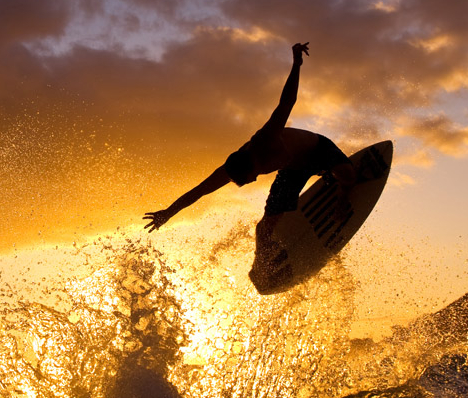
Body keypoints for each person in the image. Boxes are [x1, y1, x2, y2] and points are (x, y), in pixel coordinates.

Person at [143, 42, 356, 293]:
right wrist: (168, 212)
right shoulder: (231, 168)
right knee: (263, 229)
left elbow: (287, 102)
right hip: (292, 170)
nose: (251, 182)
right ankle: (264, 267)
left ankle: (341, 191)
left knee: (349, 176)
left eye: (249, 178)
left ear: (253, 164)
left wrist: (296, 64)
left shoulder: (265, 139)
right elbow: (199, 191)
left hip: (317, 150)